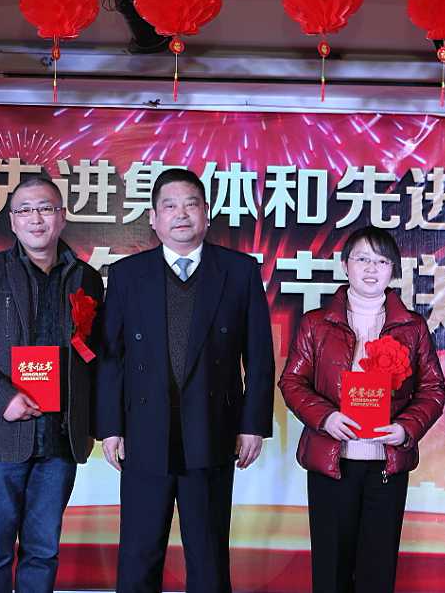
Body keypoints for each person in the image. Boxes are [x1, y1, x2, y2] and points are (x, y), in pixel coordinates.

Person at [96, 167, 274, 593]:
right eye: (169, 206)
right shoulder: (127, 275)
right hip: (143, 433)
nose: (181, 214)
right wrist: (111, 427)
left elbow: (259, 356)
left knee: (208, 555)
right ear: (153, 218)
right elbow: (110, 357)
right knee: (139, 553)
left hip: (212, 430)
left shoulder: (239, 271)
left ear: (206, 214)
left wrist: (253, 424)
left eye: (191, 205)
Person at [0, 175, 104, 593]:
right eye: (26, 210)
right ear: (12, 221)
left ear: (62, 217)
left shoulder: (87, 279)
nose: (36, 219)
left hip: (60, 438)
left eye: (46, 208)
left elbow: (96, 354)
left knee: (43, 551)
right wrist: (4, 397)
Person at [279, 225, 445, 593]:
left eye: (382, 261)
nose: (372, 269)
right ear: (345, 265)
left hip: (386, 462)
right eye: (362, 259)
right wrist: (326, 417)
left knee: (377, 568)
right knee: (331, 568)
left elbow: (433, 390)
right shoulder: (316, 324)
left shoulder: (412, 327)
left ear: (393, 270)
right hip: (331, 462)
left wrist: (406, 428)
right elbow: (291, 382)